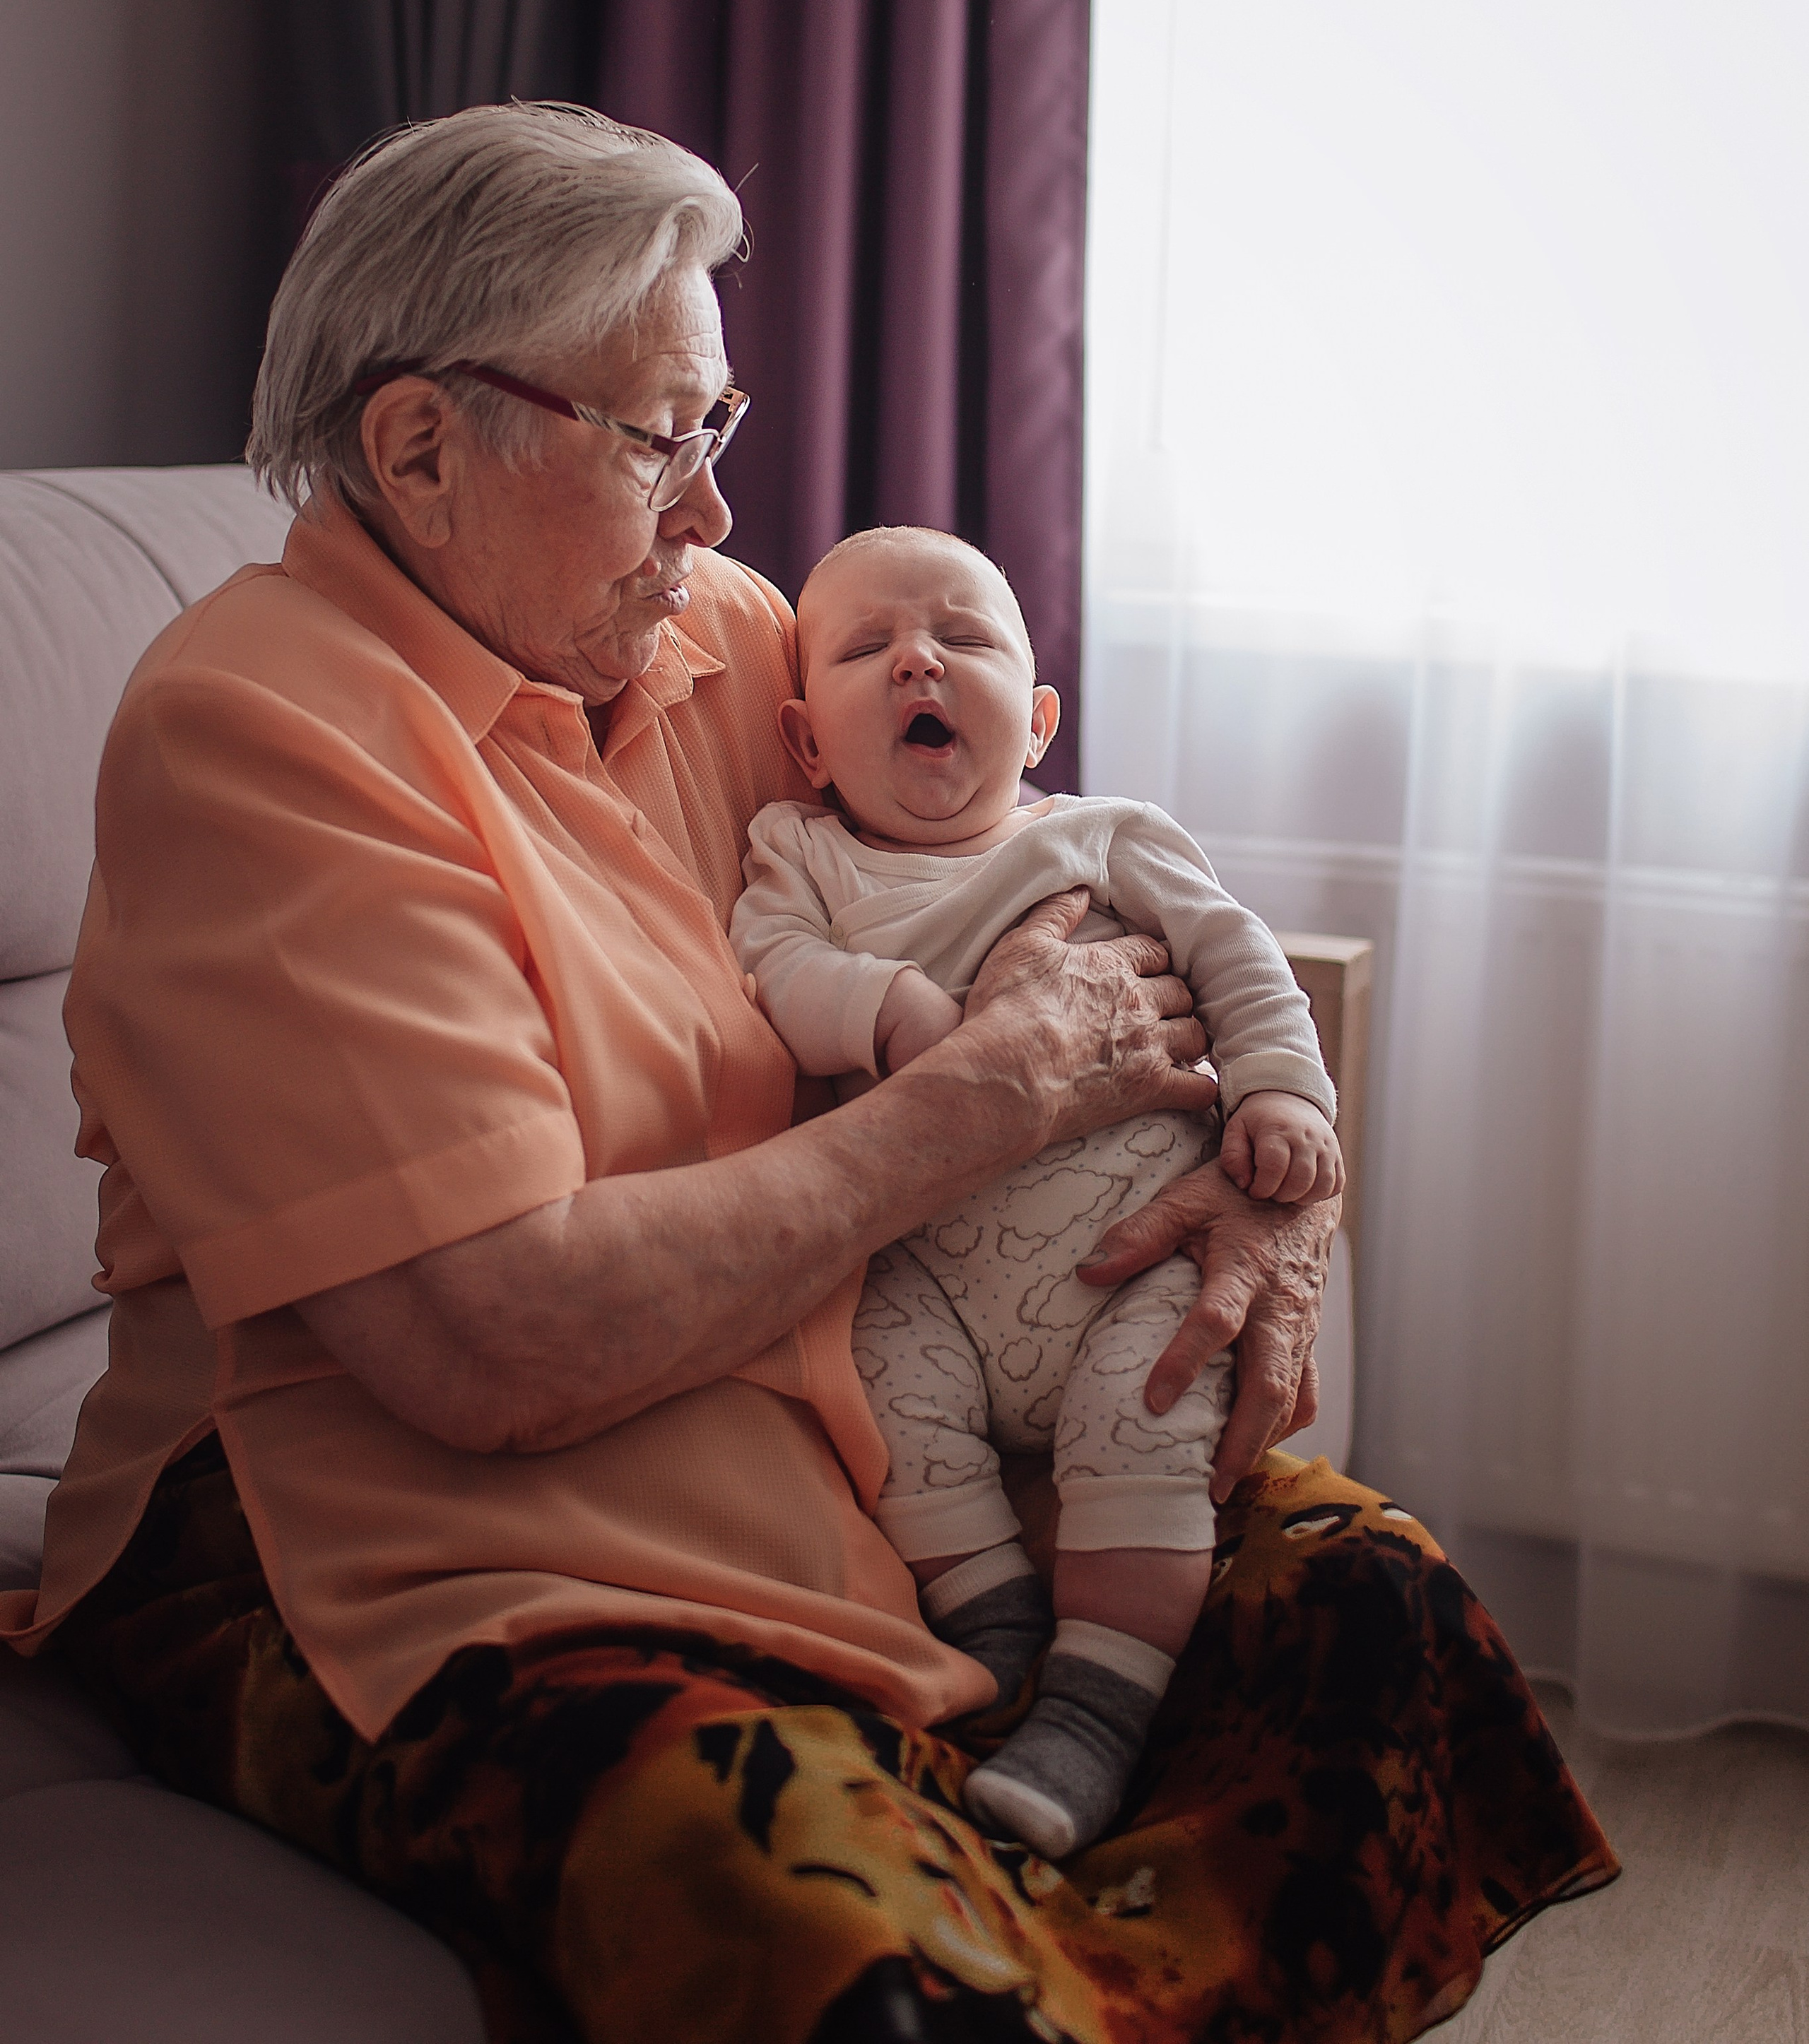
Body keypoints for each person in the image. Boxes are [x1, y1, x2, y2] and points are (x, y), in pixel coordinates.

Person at [0, 105, 1615, 2044]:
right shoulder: (263, 742)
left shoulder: (719, 645)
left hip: (812, 1410)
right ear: (424, 446)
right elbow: (487, 1343)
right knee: (834, 1930)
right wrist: (981, 1107)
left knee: (1383, 1613)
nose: (714, 514)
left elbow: (1070, 899)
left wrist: (1291, 1185)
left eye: (718, 431)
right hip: (348, 1530)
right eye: (661, 438)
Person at [729, 524, 1343, 1860]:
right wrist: (886, 1007)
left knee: (1157, 1403)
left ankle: (1098, 1717)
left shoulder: (1106, 840)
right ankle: (995, 1625)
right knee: (874, 1366)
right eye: (865, 648)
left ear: (1040, 716)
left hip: (1130, 1258)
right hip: (925, 1269)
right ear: (807, 738)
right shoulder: (803, 854)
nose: (916, 664)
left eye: (961, 639)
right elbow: (768, 961)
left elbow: (1241, 961)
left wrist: (1289, 1095)